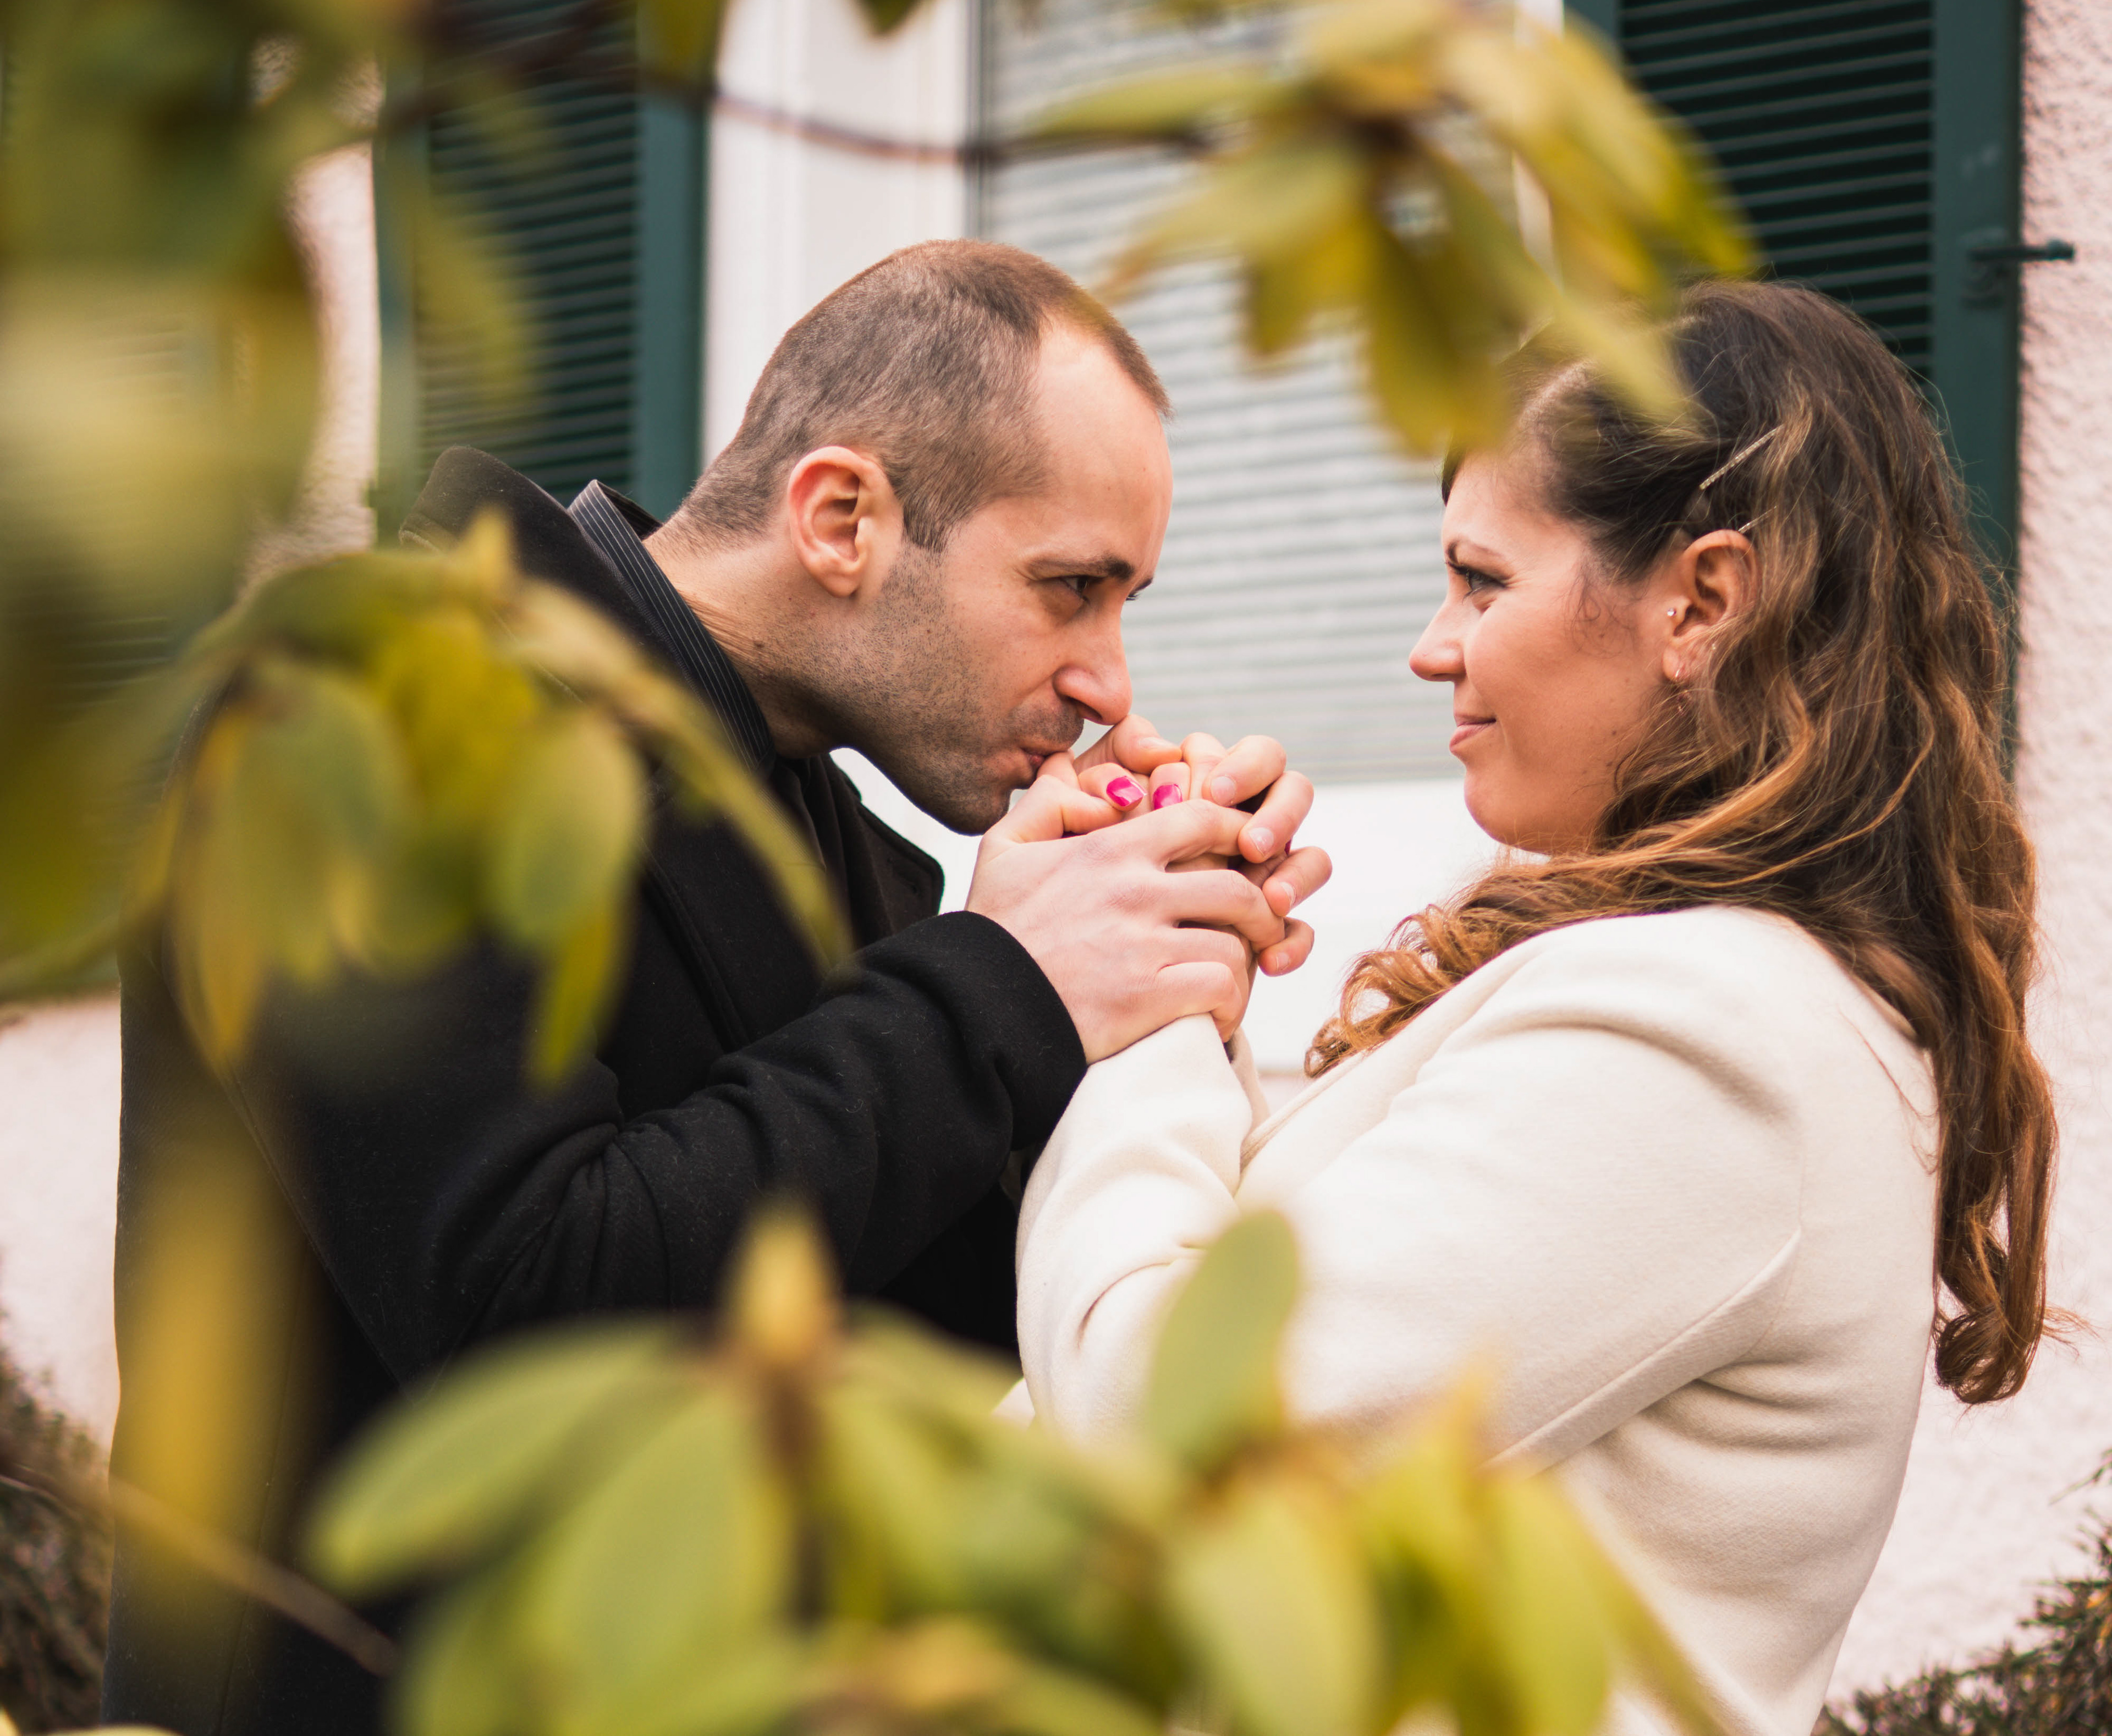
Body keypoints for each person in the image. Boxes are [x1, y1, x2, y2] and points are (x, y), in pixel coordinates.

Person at [103, 241, 1330, 1736]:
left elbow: (874, 1346)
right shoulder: (369, 717)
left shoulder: (840, 839)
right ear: (840, 518)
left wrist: (1133, 1001)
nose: (1108, 683)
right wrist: (1006, 984)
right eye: (1069, 589)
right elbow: (521, 1312)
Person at [1012, 281, 2058, 1736]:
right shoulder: (1688, 993)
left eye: (1481, 581)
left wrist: (1149, 1003)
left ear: (1699, 602)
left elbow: (1167, 1435)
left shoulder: (1706, 1040)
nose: (1432, 649)